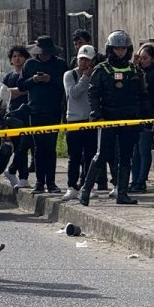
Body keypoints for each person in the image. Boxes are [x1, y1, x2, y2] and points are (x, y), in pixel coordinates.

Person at [84, 31, 145, 206]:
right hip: (108, 118)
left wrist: (143, 117)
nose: (120, 52)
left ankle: (122, 193)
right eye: (117, 48)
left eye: (123, 48)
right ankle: (85, 191)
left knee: (126, 156)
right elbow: (93, 94)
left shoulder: (134, 70)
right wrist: (97, 115)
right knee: (102, 154)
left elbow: (141, 95)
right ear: (111, 49)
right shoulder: (101, 70)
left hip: (129, 120)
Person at [19, 36, 66, 194]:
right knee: (38, 148)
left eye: (47, 53)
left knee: (50, 147)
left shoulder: (59, 64)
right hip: (35, 110)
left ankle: (51, 182)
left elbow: (64, 84)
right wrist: (33, 80)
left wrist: (50, 79)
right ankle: (39, 182)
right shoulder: (30, 64)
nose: (44, 56)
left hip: (53, 111)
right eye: (42, 53)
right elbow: (21, 85)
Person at [61, 45, 98, 201]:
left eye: (87, 60)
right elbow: (73, 94)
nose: (84, 63)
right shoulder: (70, 75)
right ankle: (71, 186)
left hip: (90, 121)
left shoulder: (97, 75)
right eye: (81, 59)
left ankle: (86, 184)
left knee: (90, 155)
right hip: (74, 121)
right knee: (74, 156)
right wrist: (85, 78)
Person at [129, 45, 154, 193]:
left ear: (153, 58)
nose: (143, 61)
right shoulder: (136, 71)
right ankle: (134, 179)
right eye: (140, 58)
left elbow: (153, 94)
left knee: (144, 149)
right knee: (134, 151)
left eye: (145, 58)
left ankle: (141, 180)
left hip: (149, 114)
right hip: (135, 115)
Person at [1, 45, 31, 189]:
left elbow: (29, 89)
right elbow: (4, 93)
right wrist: (22, 90)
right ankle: (21, 176)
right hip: (13, 115)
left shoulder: (28, 74)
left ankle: (14, 171)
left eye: (20, 56)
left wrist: (18, 91)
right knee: (20, 146)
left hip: (28, 113)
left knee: (26, 145)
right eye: (14, 56)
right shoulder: (9, 77)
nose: (17, 59)